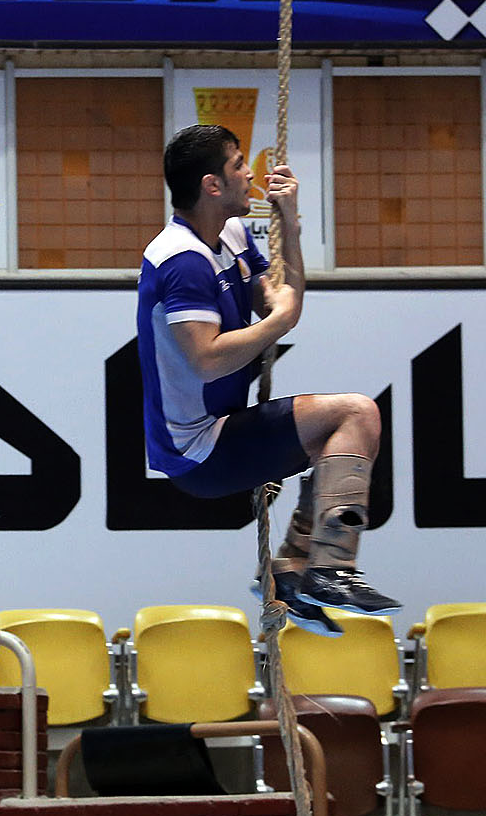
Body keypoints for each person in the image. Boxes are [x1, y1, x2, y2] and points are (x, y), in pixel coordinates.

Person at [136, 124, 400, 638]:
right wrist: (280, 320)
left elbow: (278, 298)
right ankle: (328, 569)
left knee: (347, 429)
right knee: (356, 413)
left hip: (220, 429)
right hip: (198, 449)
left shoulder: (232, 234)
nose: (251, 173)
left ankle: (295, 570)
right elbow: (207, 360)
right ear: (213, 184)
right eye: (239, 164)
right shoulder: (181, 260)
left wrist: (290, 224)